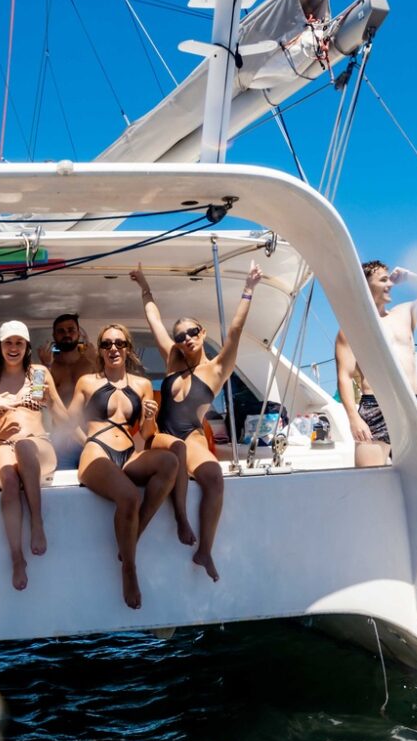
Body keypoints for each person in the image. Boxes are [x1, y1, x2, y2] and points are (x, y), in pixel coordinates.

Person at [131, 261, 263, 581]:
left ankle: (205, 551)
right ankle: (180, 517)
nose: (186, 338)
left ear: (202, 332)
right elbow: (153, 321)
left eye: (192, 332)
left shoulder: (217, 369)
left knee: (214, 476)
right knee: (174, 446)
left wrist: (248, 289)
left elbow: (234, 331)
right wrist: (144, 285)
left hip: (192, 438)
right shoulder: (172, 360)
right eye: (180, 336)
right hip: (160, 436)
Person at [71, 323, 177, 609]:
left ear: (128, 348)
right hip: (97, 450)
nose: (113, 348)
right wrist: (89, 443)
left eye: (119, 343)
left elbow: (146, 434)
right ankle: (129, 569)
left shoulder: (142, 385)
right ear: (100, 350)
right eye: (106, 344)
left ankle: (137, 529)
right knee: (129, 496)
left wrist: (151, 418)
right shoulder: (87, 381)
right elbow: (69, 422)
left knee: (169, 462)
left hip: (129, 451)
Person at [0, 320, 63, 591]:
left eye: (19, 343)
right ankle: (17, 557)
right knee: (8, 477)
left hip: (37, 442)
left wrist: (49, 400)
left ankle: (37, 522)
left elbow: (62, 416)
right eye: (8, 343)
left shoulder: (38, 374)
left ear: (26, 346)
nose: (13, 348)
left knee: (26, 447)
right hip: (4, 444)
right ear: (0, 346)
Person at [334, 259, 417, 468]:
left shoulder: (405, 314)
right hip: (377, 407)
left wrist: (410, 277)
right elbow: (345, 376)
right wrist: (353, 418)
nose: (390, 284)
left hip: (412, 405)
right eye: (383, 280)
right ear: (365, 285)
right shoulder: (353, 327)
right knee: (369, 483)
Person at [47, 313, 101, 405]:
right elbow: (37, 395)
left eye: (71, 330)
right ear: (54, 335)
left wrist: (95, 360)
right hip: (60, 419)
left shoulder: (91, 363)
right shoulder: (49, 365)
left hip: (89, 418)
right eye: (61, 331)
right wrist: (45, 366)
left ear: (79, 333)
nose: (66, 334)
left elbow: (110, 388)